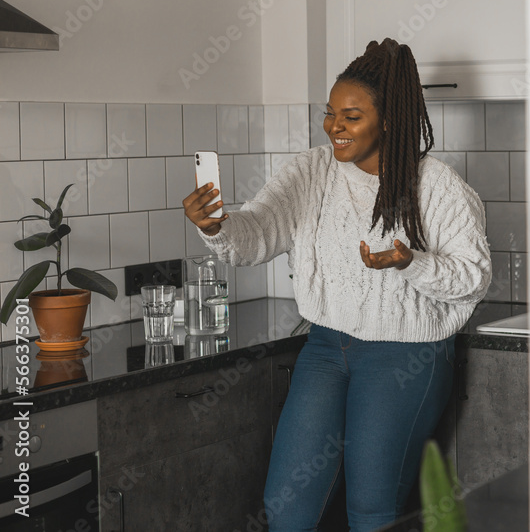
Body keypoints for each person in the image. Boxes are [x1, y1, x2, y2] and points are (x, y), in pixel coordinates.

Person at [182, 38, 492, 531]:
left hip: (405, 355)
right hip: (327, 348)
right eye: (330, 113)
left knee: (373, 512)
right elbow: (258, 233)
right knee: (286, 507)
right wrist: (216, 226)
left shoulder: (437, 186)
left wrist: (411, 263)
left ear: (388, 121)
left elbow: (473, 276)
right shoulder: (312, 170)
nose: (333, 127)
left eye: (351, 116)